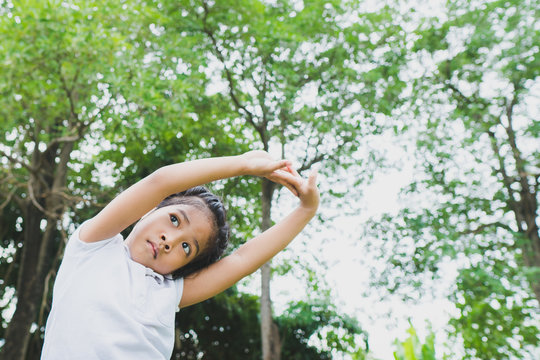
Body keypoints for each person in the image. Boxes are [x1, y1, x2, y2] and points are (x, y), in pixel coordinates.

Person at [41, 150, 319, 359]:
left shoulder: (168, 292)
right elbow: (159, 182)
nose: (169, 241)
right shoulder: (95, 246)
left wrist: (305, 211)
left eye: (187, 248)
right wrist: (243, 164)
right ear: (150, 208)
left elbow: (242, 260)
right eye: (174, 220)